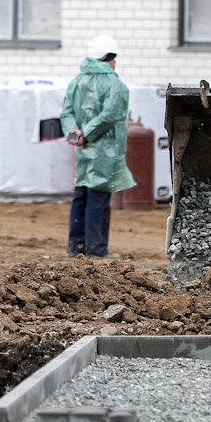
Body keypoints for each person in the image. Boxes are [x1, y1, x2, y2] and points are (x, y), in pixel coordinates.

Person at [60, 35, 136, 259]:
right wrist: (90, 133)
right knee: (99, 196)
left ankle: (77, 246)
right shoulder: (115, 85)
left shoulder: (76, 81)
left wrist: (77, 134)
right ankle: (97, 248)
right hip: (105, 149)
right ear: (110, 59)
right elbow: (111, 115)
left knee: (81, 194)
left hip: (83, 149)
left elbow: (66, 112)